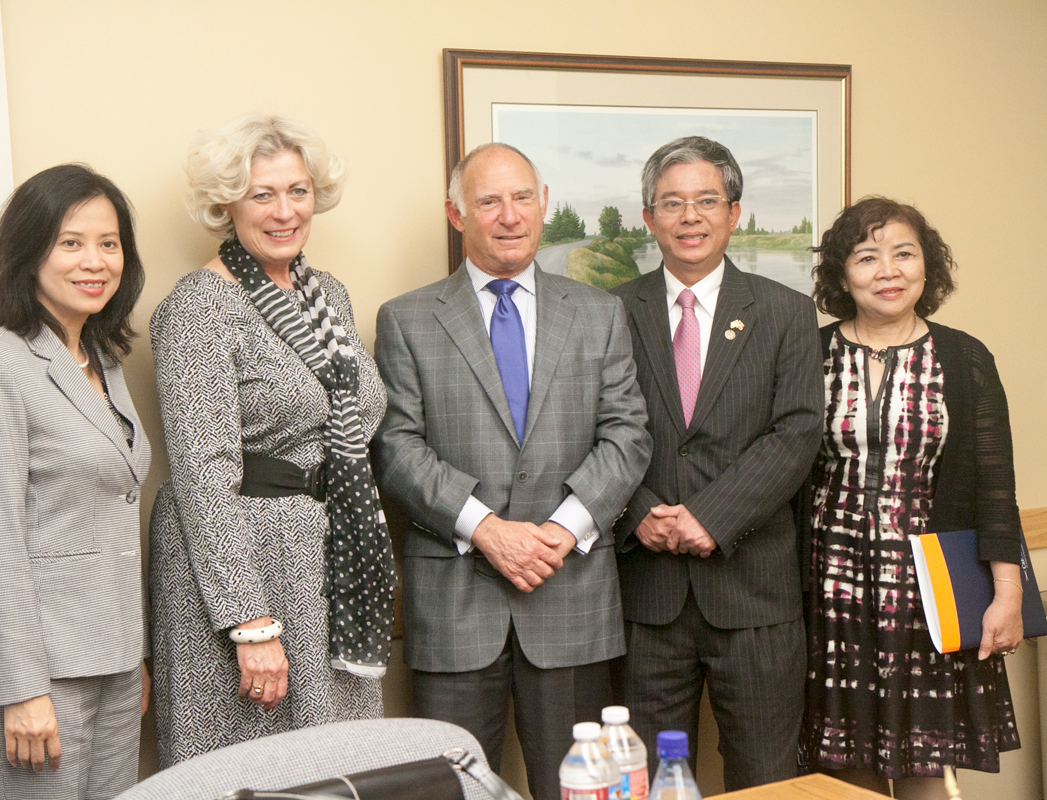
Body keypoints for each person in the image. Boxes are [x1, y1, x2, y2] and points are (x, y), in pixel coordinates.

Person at [373, 142, 652, 800]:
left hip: (571, 597)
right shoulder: (407, 319)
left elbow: (628, 433)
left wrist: (560, 529)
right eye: (489, 201)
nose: (509, 215)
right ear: (456, 213)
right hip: (456, 606)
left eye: (522, 197)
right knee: (450, 792)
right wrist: (487, 529)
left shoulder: (597, 312)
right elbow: (395, 445)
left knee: (580, 794)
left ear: (544, 203)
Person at [149, 113, 396, 766]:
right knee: (249, 766)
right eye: (263, 194)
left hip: (328, 559)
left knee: (335, 765)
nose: (284, 211)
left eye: (298, 191)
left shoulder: (329, 296)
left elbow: (356, 426)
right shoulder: (197, 308)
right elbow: (203, 472)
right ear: (225, 204)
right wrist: (249, 622)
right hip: (245, 569)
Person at [610, 136, 823, 791]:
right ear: (649, 219)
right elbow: (593, 433)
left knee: (766, 779)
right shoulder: (610, 312)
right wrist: (640, 513)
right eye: (672, 203)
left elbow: (796, 433)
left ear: (734, 213)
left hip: (755, 592)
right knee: (643, 781)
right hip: (647, 596)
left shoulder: (786, 313)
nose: (690, 216)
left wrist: (710, 517)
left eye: (707, 200)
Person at [801, 196, 1022, 799]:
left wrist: (1006, 592)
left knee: (926, 758)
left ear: (929, 266)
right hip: (828, 581)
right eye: (867, 257)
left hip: (930, 583)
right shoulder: (808, 352)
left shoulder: (965, 356)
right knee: (843, 757)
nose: (888, 271)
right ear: (843, 276)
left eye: (903, 254)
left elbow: (995, 485)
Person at [0, 164, 151, 800]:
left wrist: (135, 655)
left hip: (116, 662)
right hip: (42, 672)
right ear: (27, 252)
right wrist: (21, 688)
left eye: (109, 243)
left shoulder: (103, 362)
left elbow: (112, 513)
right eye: (71, 242)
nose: (95, 260)